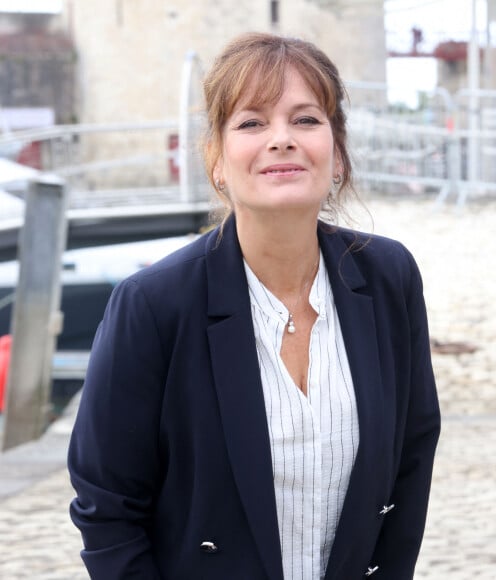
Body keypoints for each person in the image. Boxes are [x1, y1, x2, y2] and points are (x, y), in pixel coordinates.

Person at [68, 32, 440, 580]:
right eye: (251, 122)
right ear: (217, 160)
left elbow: (411, 459)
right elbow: (107, 506)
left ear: (336, 151)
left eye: (307, 119)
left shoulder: (388, 277)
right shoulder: (153, 304)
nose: (282, 139)